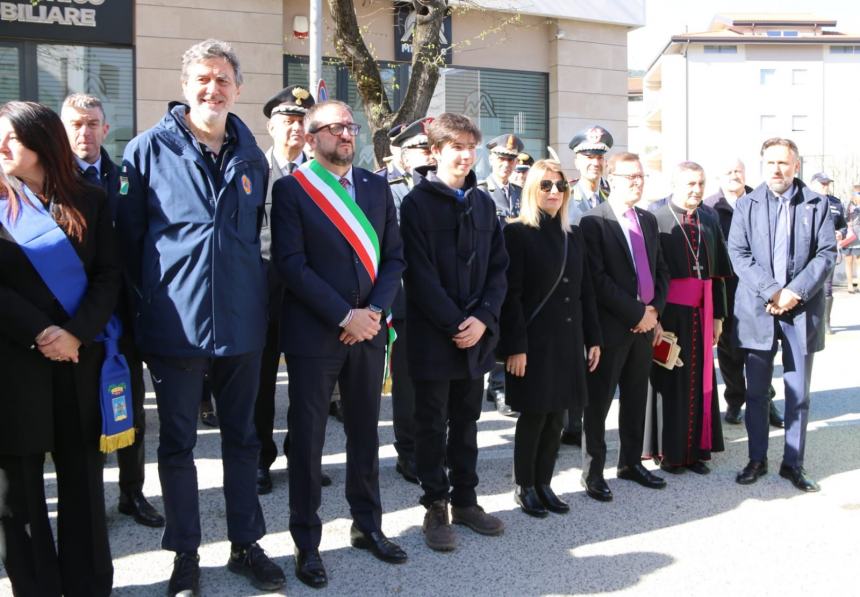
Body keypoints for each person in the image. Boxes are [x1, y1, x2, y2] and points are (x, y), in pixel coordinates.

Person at [117, 39, 285, 594]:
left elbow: (255, 239)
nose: (213, 89)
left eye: (223, 80)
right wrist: (153, 309)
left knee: (243, 440)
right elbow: (129, 246)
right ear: (185, 86)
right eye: (203, 80)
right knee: (178, 447)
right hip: (175, 329)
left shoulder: (251, 155)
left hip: (242, 326)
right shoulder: (146, 150)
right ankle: (185, 554)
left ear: (238, 88)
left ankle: (245, 544)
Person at [271, 99, 408, 588]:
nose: (346, 135)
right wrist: (342, 314)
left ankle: (367, 524)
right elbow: (291, 264)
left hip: (369, 331)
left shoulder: (375, 185)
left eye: (350, 127)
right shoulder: (292, 189)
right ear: (311, 138)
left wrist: (371, 314)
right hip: (316, 334)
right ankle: (307, 543)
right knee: (307, 444)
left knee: (365, 434)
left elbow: (394, 256)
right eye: (334, 128)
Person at [0, 101, 119, 596]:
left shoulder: (91, 200)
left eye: (11, 138)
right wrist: (40, 333)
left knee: (82, 480)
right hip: (13, 360)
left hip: (79, 358)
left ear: (42, 141)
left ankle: (88, 583)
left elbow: (109, 275)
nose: (1, 147)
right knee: (18, 490)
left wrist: (74, 333)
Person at [401, 113, 508, 551]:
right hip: (433, 337)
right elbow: (419, 275)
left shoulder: (482, 204)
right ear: (436, 151)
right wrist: (454, 323)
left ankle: (466, 500)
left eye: (471, 147)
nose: (466, 155)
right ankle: (435, 508)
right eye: (456, 147)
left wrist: (482, 318)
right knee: (431, 426)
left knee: (467, 423)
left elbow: (499, 268)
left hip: (475, 336)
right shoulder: (416, 204)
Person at [59, 93, 166, 529]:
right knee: (82, 414)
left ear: (106, 129)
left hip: (123, 317)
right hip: (75, 319)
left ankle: (132, 493)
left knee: (132, 411)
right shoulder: (51, 183)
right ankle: (86, 499)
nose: (85, 133)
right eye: (76, 124)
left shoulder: (126, 177)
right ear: (63, 130)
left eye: (93, 124)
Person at [729, 137, 837, 492]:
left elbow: (825, 254)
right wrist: (773, 291)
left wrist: (793, 293)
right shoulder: (746, 205)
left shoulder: (817, 205)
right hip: (758, 310)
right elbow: (739, 254)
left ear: (796, 166)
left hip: (800, 311)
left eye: (784, 163)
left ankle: (793, 463)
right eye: (771, 163)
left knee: (798, 394)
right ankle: (756, 459)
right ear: (763, 165)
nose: (777, 169)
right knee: (757, 392)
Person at [498, 159, 602, 517]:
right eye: (546, 186)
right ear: (532, 190)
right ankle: (525, 485)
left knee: (557, 417)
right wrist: (515, 347)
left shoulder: (573, 235)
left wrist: (593, 339)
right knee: (534, 415)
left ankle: (545, 482)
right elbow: (510, 296)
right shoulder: (517, 232)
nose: (554, 192)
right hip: (533, 342)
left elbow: (586, 291)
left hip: (569, 340)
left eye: (560, 186)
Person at [254, 84, 333, 494]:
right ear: (271, 126)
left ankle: (304, 456)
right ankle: (260, 459)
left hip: (310, 294)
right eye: (288, 121)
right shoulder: (252, 169)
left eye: (303, 122)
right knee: (261, 381)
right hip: (262, 293)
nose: (296, 129)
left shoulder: (321, 175)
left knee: (309, 384)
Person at [579, 151, 670, 502]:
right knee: (599, 404)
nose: (637, 182)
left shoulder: (647, 220)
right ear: (611, 180)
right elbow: (597, 280)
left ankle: (630, 463)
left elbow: (660, 271)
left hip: (645, 326)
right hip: (612, 327)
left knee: (636, 398)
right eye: (629, 177)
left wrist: (654, 312)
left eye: (641, 177)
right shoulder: (594, 221)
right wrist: (636, 313)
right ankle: (594, 472)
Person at [645, 162, 730, 474]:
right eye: (690, 184)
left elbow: (718, 274)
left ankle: (694, 451)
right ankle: (669, 453)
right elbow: (650, 273)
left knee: (700, 383)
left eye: (701, 183)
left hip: (702, 313)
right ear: (675, 183)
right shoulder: (656, 216)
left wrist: (718, 317)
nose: (696, 190)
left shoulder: (709, 218)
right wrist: (656, 318)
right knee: (670, 382)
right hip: (669, 314)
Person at [703, 160, 784, 427]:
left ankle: (766, 400)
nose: (734, 175)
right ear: (719, 176)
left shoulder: (763, 201)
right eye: (728, 171)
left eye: (738, 170)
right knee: (730, 351)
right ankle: (735, 400)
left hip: (760, 288)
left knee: (763, 350)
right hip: (727, 289)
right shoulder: (711, 208)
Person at [385, 117, 435, 484]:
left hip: (438, 301)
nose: (425, 155)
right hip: (402, 299)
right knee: (407, 384)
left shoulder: (439, 186)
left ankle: (433, 445)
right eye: (418, 148)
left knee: (434, 380)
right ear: (399, 151)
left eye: (428, 148)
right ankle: (409, 451)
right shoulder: (381, 185)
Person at [562, 125, 613, 447]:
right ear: (577, 160)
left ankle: (591, 423)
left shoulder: (612, 195)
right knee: (575, 360)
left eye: (599, 156)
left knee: (599, 362)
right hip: (578, 291)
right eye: (588, 156)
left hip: (609, 294)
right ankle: (571, 424)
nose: (594, 162)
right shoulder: (565, 195)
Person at [479, 133, 523, 416]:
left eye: (511, 159)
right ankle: (497, 386)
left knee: (512, 324)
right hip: (490, 270)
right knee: (494, 325)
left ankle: (505, 382)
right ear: (491, 159)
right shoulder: (481, 191)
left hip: (517, 269)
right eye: (501, 159)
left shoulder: (522, 193)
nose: (506, 164)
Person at [808, 172, 847, 333]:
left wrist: (841, 233)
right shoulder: (804, 200)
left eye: (827, 184)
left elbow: (843, 225)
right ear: (813, 184)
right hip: (808, 252)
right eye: (822, 184)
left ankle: (825, 323)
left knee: (827, 288)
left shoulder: (835, 203)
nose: (825, 187)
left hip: (827, 252)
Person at [844, 185, 860, 293]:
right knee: (848, 260)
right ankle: (849, 285)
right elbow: (842, 218)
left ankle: (859, 284)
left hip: (859, 235)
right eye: (857, 193)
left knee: (859, 260)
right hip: (849, 235)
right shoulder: (847, 205)